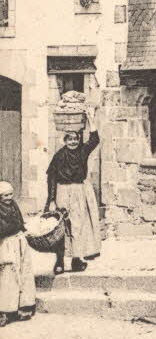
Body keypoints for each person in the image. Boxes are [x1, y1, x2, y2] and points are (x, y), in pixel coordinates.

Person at [45, 104, 101, 275]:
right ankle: (60, 262)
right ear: (65, 140)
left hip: (78, 192)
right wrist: (52, 200)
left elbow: (94, 139)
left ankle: (76, 259)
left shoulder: (83, 151)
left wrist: (90, 117)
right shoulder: (59, 156)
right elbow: (51, 178)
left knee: (78, 226)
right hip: (62, 192)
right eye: (70, 139)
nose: (73, 142)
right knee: (61, 227)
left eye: (75, 139)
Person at [0, 181, 36, 325]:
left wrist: (25, 231)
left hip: (19, 241)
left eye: (10, 194)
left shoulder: (14, 205)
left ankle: (24, 306)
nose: (9, 197)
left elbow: (20, 221)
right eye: (5, 196)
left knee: (24, 273)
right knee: (8, 275)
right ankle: (6, 310)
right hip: (6, 244)